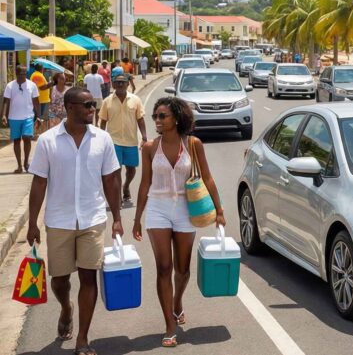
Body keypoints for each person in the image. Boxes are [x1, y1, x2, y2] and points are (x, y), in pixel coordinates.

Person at [26, 86, 123, 354]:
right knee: (59, 278)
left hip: (92, 218)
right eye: (87, 105)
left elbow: (111, 180)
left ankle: (82, 338)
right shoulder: (47, 141)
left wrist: (116, 217)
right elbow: (39, 182)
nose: (93, 109)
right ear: (69, 108)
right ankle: (66, 307)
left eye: (93, 104)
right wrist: (32, 223)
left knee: (89, 277)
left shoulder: (103, 139)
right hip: (59, 220)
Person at [133, 97, 226, 348]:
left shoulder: (193, 144)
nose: (158, 120)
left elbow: (208, 177)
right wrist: (137, 218)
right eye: (155, 116)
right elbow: (144, 183)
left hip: (186, 210)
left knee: (182, 269)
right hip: (157, 209)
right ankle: (169, 325)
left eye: (162, 116)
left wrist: (219, 210)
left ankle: (177, 302)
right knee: (164, 267)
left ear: (176, 117)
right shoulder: (151, 147)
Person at [99, 74, 148, 206]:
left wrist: (144, 137)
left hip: (131, 140)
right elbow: (103, 121)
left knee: (131, 169)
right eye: (117, 82)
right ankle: (118, 196)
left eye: (123, 82)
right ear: (113, 85)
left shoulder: (135, 100)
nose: (120, 85)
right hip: (113, 141)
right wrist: (101, 138)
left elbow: (140, 119)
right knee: (117, 170)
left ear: (128, 84)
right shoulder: (107, 101)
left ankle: (126, 186)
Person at [3, 65, 42, 173]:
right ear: (16, 74)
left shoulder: (32, 85)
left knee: (27, 137)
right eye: (21, 74)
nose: (23, 76)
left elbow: (36, 102)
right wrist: (4, 115)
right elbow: (6, 101)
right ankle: (19, 165)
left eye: (25, 73)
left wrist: (38, 116)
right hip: (14, 117)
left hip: (28, 116)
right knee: (16, 141)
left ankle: (26, 163)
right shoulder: (10, 86)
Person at [31, 63, 51, 130]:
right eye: (43, 67)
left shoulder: (37, 74)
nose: (44, 69)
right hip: (40, 100)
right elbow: (42, 87)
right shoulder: (37, 75)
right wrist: (50, 84)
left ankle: (33, 131)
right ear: (41, 68)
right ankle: (32, 131)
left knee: (37, 116)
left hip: (40, 99)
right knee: (37, 116)